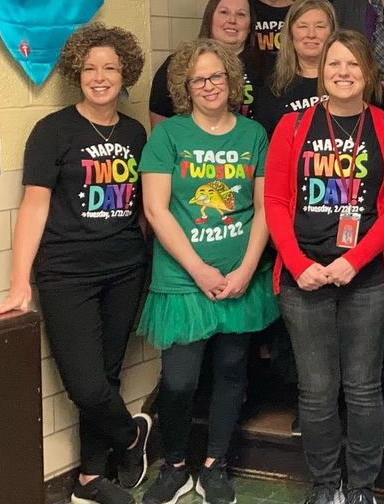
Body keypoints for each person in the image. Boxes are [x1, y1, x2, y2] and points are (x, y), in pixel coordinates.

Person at [0, 24, 151, 504]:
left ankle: (89, 478)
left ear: (126, 74)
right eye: (91, 68)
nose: (100, 77)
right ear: (77, 72)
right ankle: (129, 436)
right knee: (87, 383)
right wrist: (20, 283)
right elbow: (34, 207)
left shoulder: (135, 132)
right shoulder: (52, 131)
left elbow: (141, 207)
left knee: (108, 374)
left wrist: (139, 255)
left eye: (110, 68)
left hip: (125, 269)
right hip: (65, 274)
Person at [265, 30, 384, 504]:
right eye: (333, 65)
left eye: (352, 64)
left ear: (368, 73)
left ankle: (362, 488)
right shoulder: (292, 127)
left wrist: (353, 259)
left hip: (367, 277)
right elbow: (276, 199)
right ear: (321, 73)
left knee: (363, 387)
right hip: (303, 275)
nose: (343, 73)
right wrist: (297, 262)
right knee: (316, 391)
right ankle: (326, 486)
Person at [138, 39, 277, 504]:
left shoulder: (254, 136)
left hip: (241, 277)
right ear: (186, 87)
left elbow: (263, 209)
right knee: (179, 380)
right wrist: (199, 270)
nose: (209, 86)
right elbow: (157, 211)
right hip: (182, 280)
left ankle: (216, 465)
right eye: (199, 79)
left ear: (231, 80)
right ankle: (175, 466)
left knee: (232, 371)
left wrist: (246, 268)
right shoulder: (168, 136)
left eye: (217, 76)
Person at [149, 0, 261, 126]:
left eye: (241, 14)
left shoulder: (269, 67)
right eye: (224, 12)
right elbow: (160, 122)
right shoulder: (178, 64)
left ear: (250, 25)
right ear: (210, 18)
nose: (232, 20)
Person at [253, 0, 336, 138]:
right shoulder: (273, 87)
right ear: (290, 33)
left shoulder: (349, 80)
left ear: (332, 32)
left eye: (320, 26)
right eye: (303, 26)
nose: (311, 34)